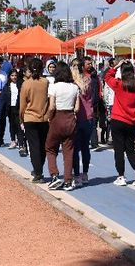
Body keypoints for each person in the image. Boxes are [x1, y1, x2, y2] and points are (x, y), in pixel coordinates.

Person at [105, 60, 135, 186]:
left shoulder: (119, 84)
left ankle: (121, 176)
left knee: (119, 149)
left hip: (118, 119)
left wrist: (115, 66)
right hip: (132, 121)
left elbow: (107, 77)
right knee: (130, 148)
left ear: (122, 71)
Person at [45, 62, 80, 191]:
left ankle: (54, 175)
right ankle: (68, 180)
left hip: (57, 117)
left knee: (50, 148)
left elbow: (52, 106)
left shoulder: (54, 87)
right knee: (68, 151)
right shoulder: (75, 88)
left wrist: (49, 117)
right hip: (70, 118)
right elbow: (77, 108)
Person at [20, 58, 50, 184]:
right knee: (43, 145)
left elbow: (22, 103)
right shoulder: (45, 82)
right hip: (44, 117)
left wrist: (21, 117)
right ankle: (39, 168)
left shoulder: (26, 83)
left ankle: (38, 172)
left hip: (30, 117)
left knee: (34, 146)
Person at [70, 58, 95, 186]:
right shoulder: (88, 80)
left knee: (75, 148)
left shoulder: (72, 82)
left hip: (77, 118)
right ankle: (84, 174)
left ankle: (77, 176)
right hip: (88, 117)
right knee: (85, 147)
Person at [0, 69, 26, 153]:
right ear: (9, 77)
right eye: (12, 75)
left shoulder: (21, 85)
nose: (14, 77)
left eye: (15, 75)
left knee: (19, 125)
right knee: (12, 125)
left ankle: (21, 143)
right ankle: (13, 140)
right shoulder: (7, 86)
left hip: (19, 108)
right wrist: (1, 110)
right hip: (10, 108)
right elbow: (3, 99)